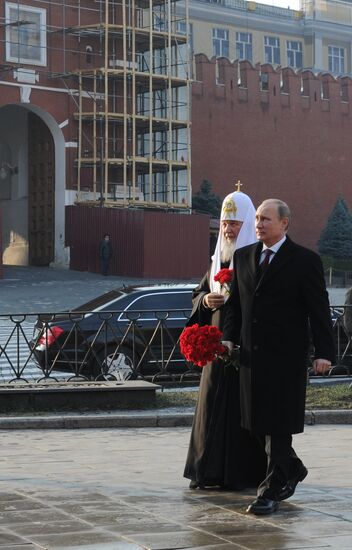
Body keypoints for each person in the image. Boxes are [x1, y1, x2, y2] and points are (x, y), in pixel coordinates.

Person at [222, 198, 335, 515]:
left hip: (286, 359)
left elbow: (319, 311)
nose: (259, 224)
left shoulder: (304, 261)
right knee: (256, 424)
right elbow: (235, 307)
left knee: (278, 426)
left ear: (285, 223)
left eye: (266, 219)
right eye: (257, 218)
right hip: (250, 360)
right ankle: (293, 468)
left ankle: (269, 491)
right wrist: (228, 339)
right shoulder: (244, 257)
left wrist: (324, 353)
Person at [183, 190, 267, 491]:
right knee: (209, 411)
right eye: (225, 224)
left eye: (235, 224)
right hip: (216, 352)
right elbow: (197, 293)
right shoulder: (217, 259)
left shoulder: (257, 260)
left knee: (239, 414)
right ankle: (205, 470)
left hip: (243, 349)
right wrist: (206, 299)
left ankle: (237, 474)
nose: (229, 230)